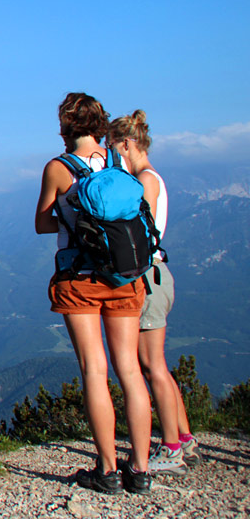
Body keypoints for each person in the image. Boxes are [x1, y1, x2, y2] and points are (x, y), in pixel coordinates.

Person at [35, 93, 152, 494]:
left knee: (94, 370)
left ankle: (105, 469)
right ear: (101, 124)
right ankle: (140, 469)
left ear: (65, 127)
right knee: (131, 371)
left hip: (80, 279)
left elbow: (42, 223)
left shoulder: (58, 167)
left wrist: (74, 219)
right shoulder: (119, 163)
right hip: (124, 276)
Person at [108, 110, 197, 474]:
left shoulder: (144, 180)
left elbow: (137, 230)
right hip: (157, 275)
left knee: (151, 365)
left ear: (126, 144)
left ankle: (171, 445)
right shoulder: (151, 176)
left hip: (147, 276)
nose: (112, 154)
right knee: (155, 365)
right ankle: (184, 437)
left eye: (113, 147)